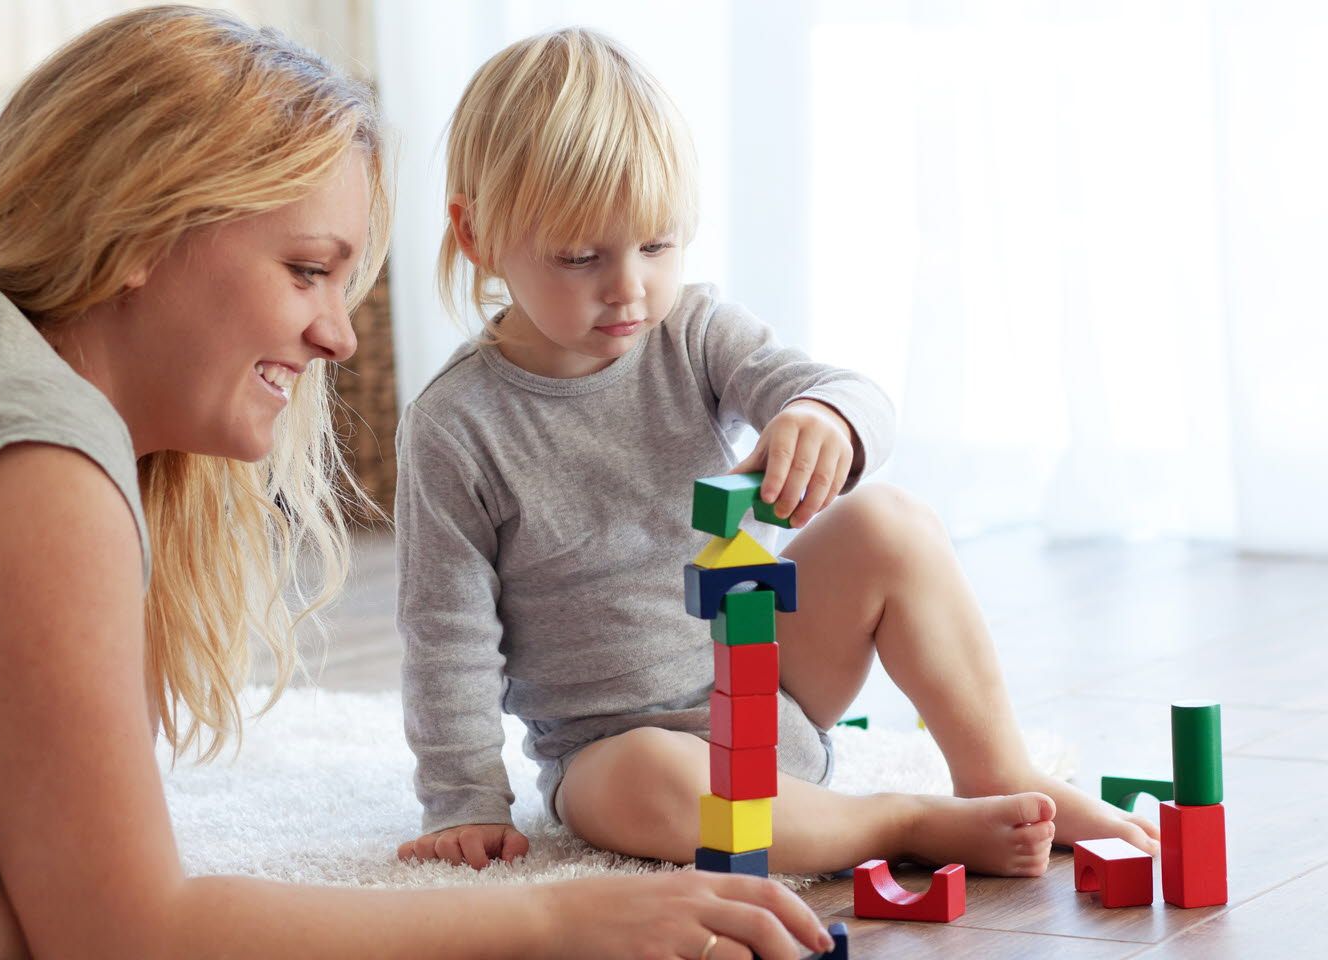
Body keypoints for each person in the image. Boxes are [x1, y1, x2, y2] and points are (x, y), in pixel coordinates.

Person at [0, 8, 836, 960]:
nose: (338, 337)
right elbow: (129, 933)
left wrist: (25, 920)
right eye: (308, 270)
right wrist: (550, 913)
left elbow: (89, 896)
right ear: (141, 232)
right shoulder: (26, 453)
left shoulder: (13, 400)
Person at [394, 27, 1160, 900]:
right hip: (618, 755)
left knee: (893, 523)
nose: (630, 288)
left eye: (657, 246)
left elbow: (843, 388)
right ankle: (898, 822)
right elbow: (445, 632)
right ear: (477, 234)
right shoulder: (455, 425)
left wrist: (822, 414)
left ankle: (996, 770)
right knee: (644, 777)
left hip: (770, 687)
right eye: (580, 257)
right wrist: (462, 801)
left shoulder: (696, 331)